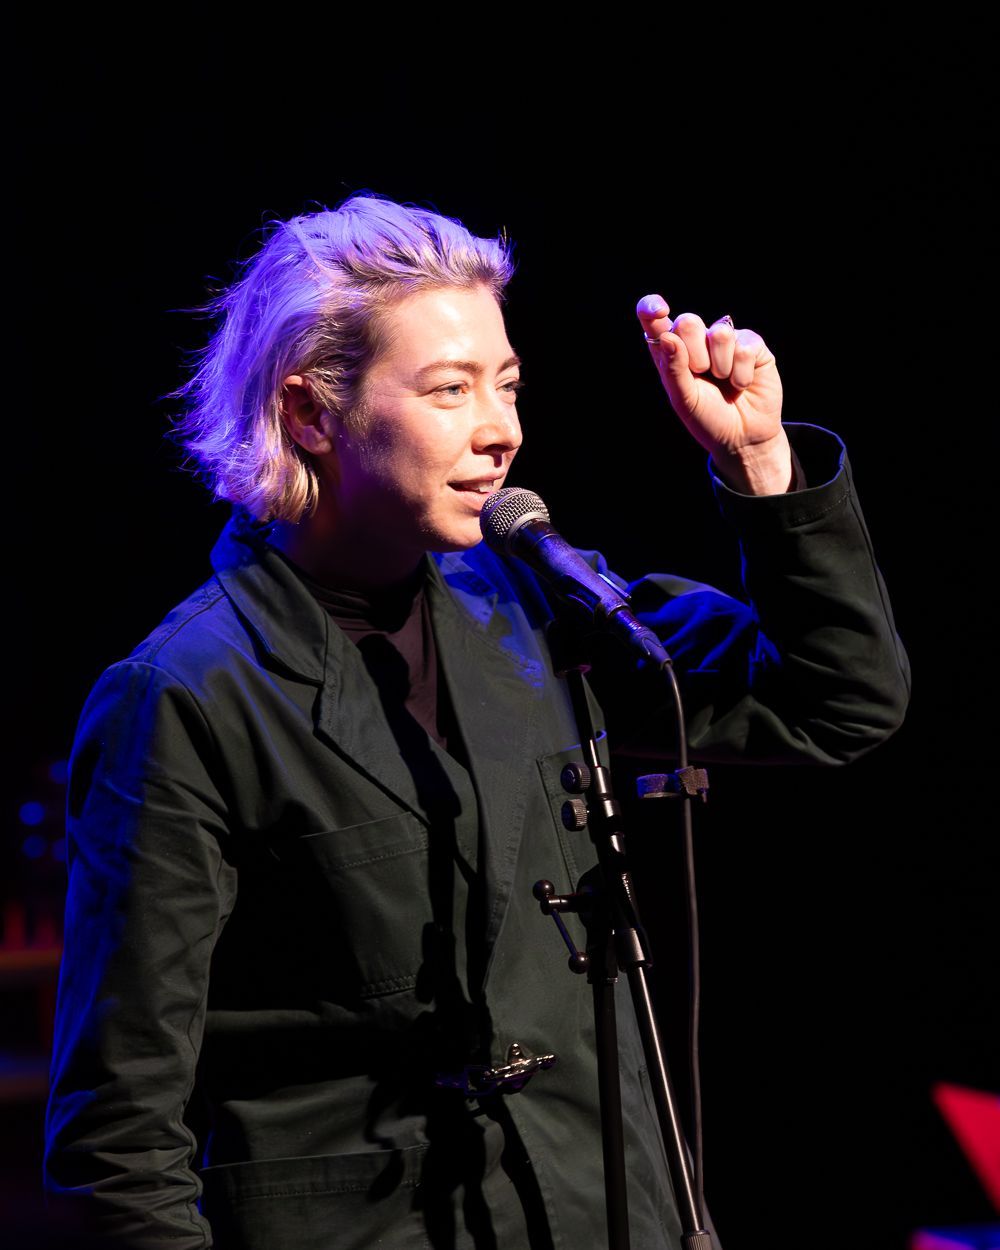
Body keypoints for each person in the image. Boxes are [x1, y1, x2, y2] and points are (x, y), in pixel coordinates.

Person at [43, 196, 910, 1249]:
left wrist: (759, 463)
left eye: (505, 385)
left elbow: (834, 699)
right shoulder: (184, 694)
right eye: (449, 390)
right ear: (312, 411)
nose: (500, 428)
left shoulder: (534, 600)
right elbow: (118, 1136)